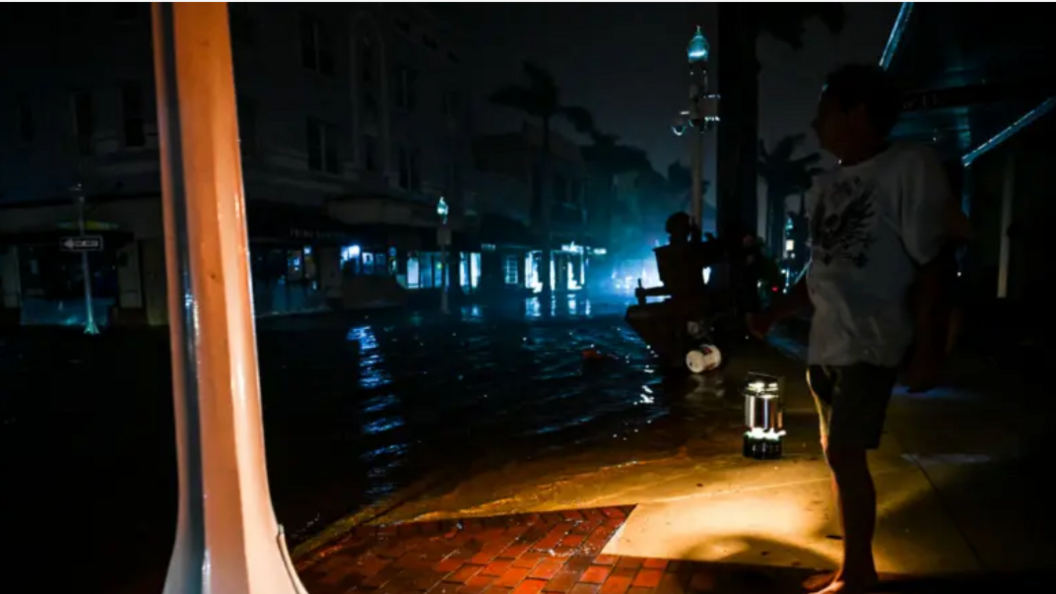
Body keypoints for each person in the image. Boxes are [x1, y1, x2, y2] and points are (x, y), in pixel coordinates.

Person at [748, 64, 954, 594]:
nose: (815, 126)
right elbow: (820, 271)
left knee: (844, 453)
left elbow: (933, 262)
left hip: (872, 340)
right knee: (836, 454)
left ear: (857, 113)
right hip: (827, 344)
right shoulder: (827, 185)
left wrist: (930, 347)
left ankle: (859, 575)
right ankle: (851, 568)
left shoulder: (909, 165)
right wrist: (776, 313)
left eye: (824, 113)